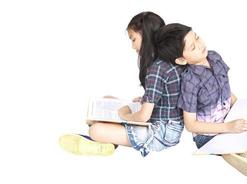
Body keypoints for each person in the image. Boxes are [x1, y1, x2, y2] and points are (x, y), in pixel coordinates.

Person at [154, 23, 247, 177]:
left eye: (197, 37)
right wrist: (228, 127)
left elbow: (226, 90)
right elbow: (191, 125)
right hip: (209, 135)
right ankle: (242, 147)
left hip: (229, 117)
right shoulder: (189, 81)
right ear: (182, 60)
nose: (200, 44)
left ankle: (246, 146)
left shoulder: (214, 57)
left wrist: (244, 108)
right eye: (192, 47)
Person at [59, 12, 184, 157]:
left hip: (161, 133)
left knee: (95, 129)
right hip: (162, 121)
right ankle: (109, 138)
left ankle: (106, 142)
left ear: (146, 36)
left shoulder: (156, 68)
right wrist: (145, 99)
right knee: (106, 100)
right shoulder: (165, 61)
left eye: (133, 39)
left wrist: (125, 115)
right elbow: (163, 93)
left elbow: (143, 117)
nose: (132, 46)